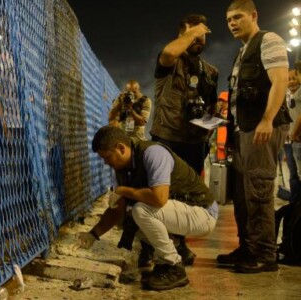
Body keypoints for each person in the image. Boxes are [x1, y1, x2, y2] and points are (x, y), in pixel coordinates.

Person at [74, 126, 218, 291]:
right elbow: (116, 211)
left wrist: (123, 191)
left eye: (107, 157)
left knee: (141, 210)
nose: (106, 163)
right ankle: (169, 255)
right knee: (128, 217)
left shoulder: (153, 153)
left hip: (203, 212)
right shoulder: (121, 169)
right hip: (181, 212)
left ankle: (173, 266)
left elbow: (159, 198)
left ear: (121, 148)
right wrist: (93, 234)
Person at [216, 0, 291, 273]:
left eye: (237, 17)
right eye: (228, 20)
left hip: (262, 127)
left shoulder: (268, 40)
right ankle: (248, 248)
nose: (232, 24)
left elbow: (280, 80)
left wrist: (267, 119)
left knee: (258, 190)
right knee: (242, 192)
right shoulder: (243, 51)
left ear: (253, 15)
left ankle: (264, 254)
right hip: (243, 129)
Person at [150, 14, 219, 175]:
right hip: (166, 139)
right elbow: (169, 53)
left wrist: (208, 131)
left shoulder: (211, 71)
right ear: (182, 35)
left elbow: (212, 106)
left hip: (195, 143)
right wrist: (193, 33)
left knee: (191, 193)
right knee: (164, 193)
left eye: (201, 35)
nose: (197, 38)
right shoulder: (171, 60)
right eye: (193, 34)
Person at [277, 69, 301, 202]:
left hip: (297, 139)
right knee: (293, 174)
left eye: (294, 78)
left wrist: (295, 133)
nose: (291, 82)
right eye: (288, 79)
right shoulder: (285, 96)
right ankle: (295, 204)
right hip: (289, 143)